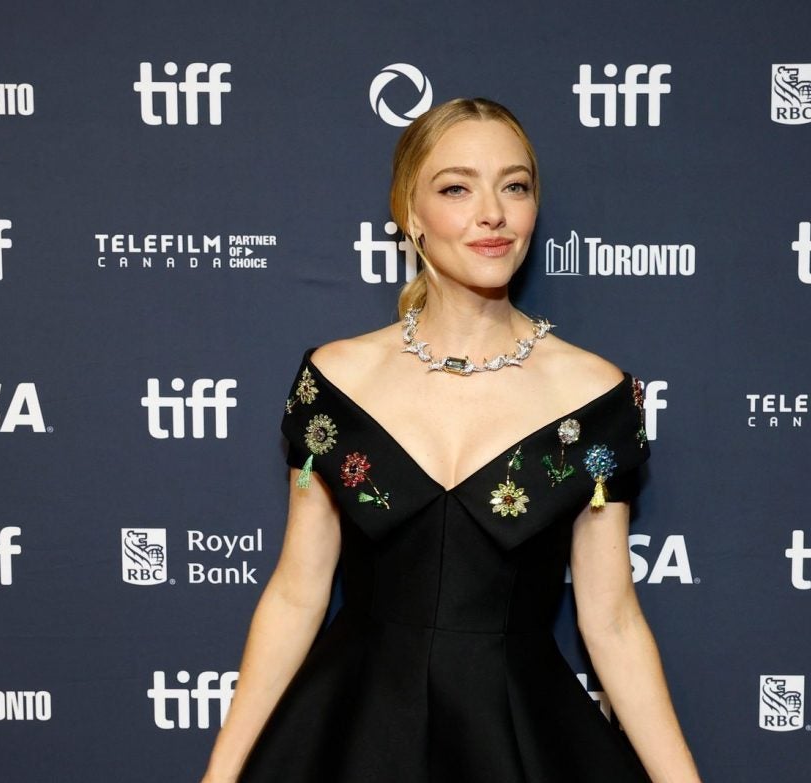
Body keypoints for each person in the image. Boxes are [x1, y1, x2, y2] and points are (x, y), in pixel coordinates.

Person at [199, 97, 702, 783]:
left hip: (513, 736)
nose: (492, 213)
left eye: (514, 186)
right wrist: (221, 773)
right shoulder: (336, 382)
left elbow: (611, 620)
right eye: (457, 188)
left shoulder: (595, 397)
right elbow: (296, 593)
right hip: (353, 736)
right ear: (410, 213)